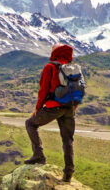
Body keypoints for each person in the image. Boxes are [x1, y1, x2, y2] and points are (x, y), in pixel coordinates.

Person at [24, 44, 76, 182]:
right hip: (69, 108)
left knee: (30, 124)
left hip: (54, 107)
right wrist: (73, 107)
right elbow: (79, 90)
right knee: (67, 140)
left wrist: (37, 108)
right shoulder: (73, 68)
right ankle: (68, 174)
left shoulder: (50, 67)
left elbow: (43, 90)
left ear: (55, 52)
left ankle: (39, 155)